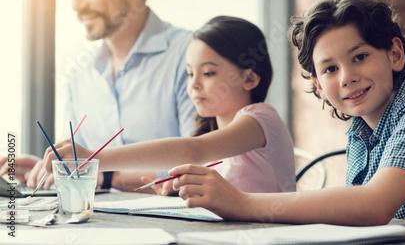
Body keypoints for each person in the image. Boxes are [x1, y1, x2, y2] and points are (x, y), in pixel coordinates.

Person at [160, 0, 405, 228]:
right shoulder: (360, 133)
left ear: (395, 54)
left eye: (361, 57)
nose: (347, 77)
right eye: (330, 69)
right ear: (319, 87)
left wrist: (242, 203)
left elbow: (373, 207)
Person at [0, 0, 197, 192]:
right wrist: (49, 168)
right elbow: (79, 162)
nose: (76, 4)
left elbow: (203, 168)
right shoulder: (80, 74)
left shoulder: (191, 57)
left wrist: (104, 176)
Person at [43, 16, 297, 194]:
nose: (194, 85)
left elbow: (194, 150)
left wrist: (93, 158)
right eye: (189, 73)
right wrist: (174, 189)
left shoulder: (261, 120)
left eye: (208, 73)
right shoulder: (210, 138)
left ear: (250, 78)